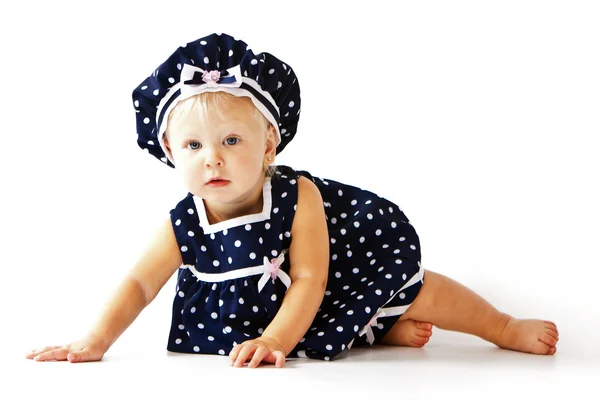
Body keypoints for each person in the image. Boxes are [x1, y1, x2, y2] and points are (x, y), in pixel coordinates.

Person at [26, 33, 559, 368]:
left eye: (231, 141)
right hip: (259, 323)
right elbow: (139, 284)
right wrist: (95, 339)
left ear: (268, 145)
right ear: (169, 150)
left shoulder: (295, 195)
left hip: (328, 285)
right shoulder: (183, 221)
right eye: (194, 146)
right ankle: (377, 330)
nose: (212, 159)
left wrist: (277, 339)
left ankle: (500, 325)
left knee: (419, 291)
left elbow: (309, 279)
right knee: (363, 323)